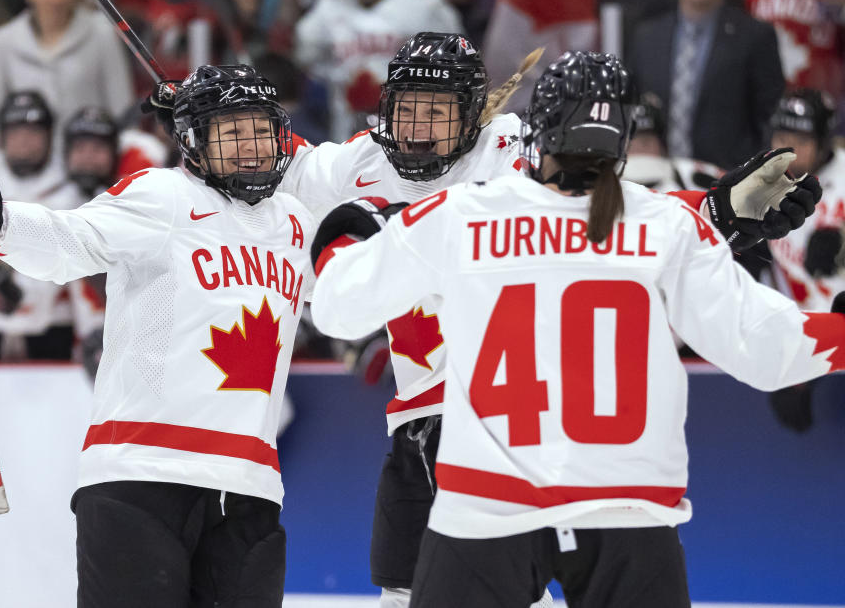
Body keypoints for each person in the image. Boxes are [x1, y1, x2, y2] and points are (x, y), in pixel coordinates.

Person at [146, 33, 820, 608]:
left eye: (437, 113)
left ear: (475, 114)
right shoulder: (352, 164)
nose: (417, 130)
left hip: (498, 422)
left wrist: (713, 216)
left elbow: (618, 215)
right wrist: (209, 109)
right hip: (420, 421)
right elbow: (257, 154)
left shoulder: (517, 151)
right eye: (406, 111)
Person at [0, 64, 314, 607]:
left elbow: (354, 295)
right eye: (231, 131)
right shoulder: (163, 195)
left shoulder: (298, 222)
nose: (252, 147)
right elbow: (71, 240)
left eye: (261, 130)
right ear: (194, 140)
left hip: (248, 488)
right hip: (140, 476)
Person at [628, 0, 785, 169]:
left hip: (728, 183)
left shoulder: (756, 36)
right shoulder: (646, 36)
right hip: (658, 179)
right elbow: (631, 107)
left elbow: (769, 118)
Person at [0, 90, 81, 360]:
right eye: (16, 130)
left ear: (50, 136)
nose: (25, 140)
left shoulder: (71, 181)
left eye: (34, 130)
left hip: (55, 329)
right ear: (2, 136)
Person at [293, 0, 463, 141]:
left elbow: (459, 69)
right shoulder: (327, 10)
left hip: (415, 138)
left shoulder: (424, 5)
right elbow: (303, 59)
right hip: (349, 141)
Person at [0, 0, 135, 150]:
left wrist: (106, 158)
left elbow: (123, 110)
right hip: (25, 167)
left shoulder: (102, 33)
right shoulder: (4, 39)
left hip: (90, 164)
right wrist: (6, 159)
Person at [766, 87, 844, 432]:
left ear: (825, 141)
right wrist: (791, 370)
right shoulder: (758, 188)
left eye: (801, 138)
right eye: (782, 135)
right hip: (811, 347)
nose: (788, 148)